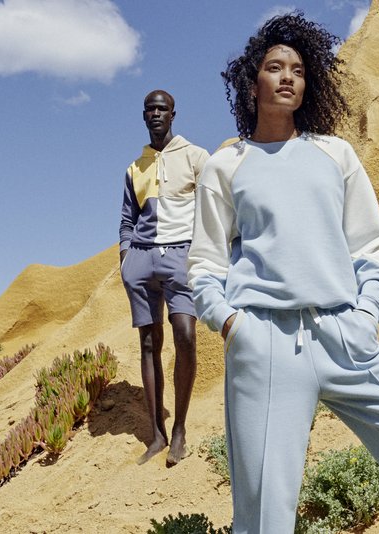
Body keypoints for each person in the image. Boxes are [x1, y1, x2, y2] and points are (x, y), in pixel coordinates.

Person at [187, 13, 379, 533]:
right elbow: (205, 263)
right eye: (274, 66)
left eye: (299, 69)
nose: (287, 76)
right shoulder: (227, 165)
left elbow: (369, 247)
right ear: (251, 80)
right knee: (264, 514)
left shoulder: (336, 155)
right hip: (265, 345)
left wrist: (366, 314)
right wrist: (233, 326)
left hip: (345, 336)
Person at [119, 89, 209, 466]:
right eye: (150, 110)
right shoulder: (135, 167)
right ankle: (156, 434)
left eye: (163, 109)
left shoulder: (196, 156)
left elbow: (213, 206)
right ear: (144, 116)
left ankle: (179, 430)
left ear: (174, 114)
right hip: (140, 259)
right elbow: (127, 218)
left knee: (185, 335)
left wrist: (200, 254)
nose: (156, 114)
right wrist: (126, 255)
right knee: (148, 344)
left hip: (180, 256)